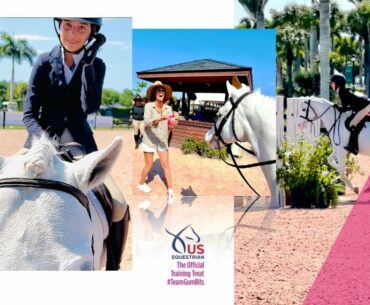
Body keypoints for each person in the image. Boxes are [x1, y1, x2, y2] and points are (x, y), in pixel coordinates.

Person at [22, 18, 127, 270]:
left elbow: (89, 106)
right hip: (41, 143)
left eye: (82, 27)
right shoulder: (43, 62)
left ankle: (112, 265)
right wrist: (47, 145)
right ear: (59, 27)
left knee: (119, 202)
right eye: (67, 25)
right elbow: (28, 114)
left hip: (81, 144)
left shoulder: (97, 65)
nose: (72, 34)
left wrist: (87, 65)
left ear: (93, 32)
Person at [137, 81, 175, 202]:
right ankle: (141, 183)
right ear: (154, 93)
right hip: (149, 140)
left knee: (166, 166)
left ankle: (170, 189)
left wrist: (174, 122)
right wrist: (160, 118)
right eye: (158, 90)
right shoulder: (148, 106)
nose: (161, 92)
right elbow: (147, 122)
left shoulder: (168, 108)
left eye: (162, 90)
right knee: (149, 165)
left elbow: (171, 123)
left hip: (162, 141)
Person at [330, 72, 370, 155]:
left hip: (365, 107)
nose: (331, 85)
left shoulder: (342, 92)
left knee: (350, 123)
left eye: (332, 83)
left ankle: (354, 146)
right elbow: (349, 106)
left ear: (337, 84)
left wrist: (337, 107)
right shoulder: (344, 90)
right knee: (350, 121)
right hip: (363, 106)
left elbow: (345, 109)